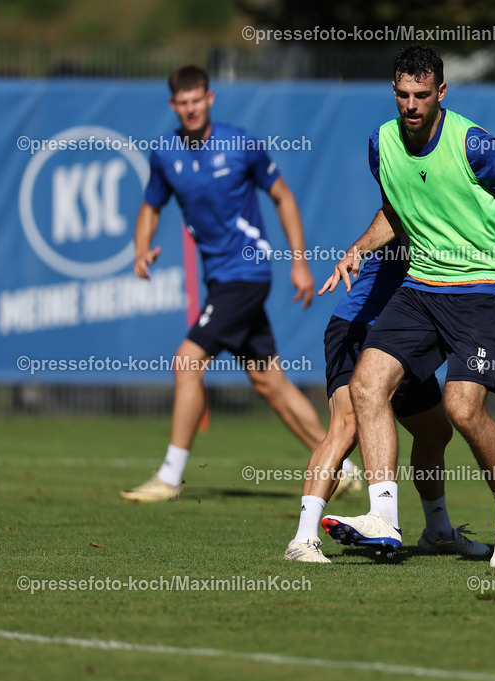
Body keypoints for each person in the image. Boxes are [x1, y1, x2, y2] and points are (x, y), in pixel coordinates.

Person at [319, 43, 495, 567]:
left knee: (462, 411)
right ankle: (383, 517)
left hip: (479, 291)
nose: (410, 105)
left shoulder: (472, 143)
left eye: (421, 95)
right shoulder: (381, 144)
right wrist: (359, 248)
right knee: (365, 385)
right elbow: (397, 210)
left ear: (441, 93)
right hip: (422, 287)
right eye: (402, 94)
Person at [121, 65, 350, 501]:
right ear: (174, 105)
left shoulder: (241, 144)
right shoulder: (165, 152)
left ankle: (169, 478)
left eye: (197, 100)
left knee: (186, 361)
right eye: (181, 103)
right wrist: (141, 248)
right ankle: (342, 466)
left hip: (247, 273)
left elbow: (283, 197)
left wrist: (299, 263)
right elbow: (151, 206)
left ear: (210, 99)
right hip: (221, 280)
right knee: (269, 382)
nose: (190, 109)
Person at [284, 231, 488, 562]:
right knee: (347, 425)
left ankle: (438, 532)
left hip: (405, 336)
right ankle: (303, 539)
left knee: (435, 432)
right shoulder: (415, 204)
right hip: (359, 326)